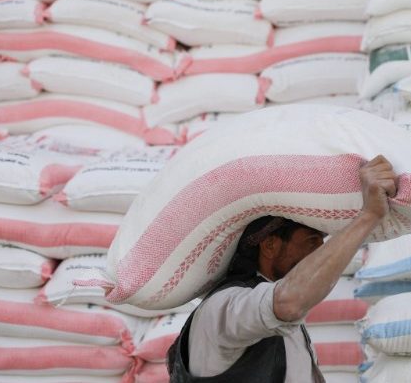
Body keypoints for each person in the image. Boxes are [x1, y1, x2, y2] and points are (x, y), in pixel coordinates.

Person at [167, 155, 398, 382]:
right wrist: (369, 215)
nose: (320, 253)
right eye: (311, 241)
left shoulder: (276, 314)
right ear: (270, 245)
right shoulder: (224, 306)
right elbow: (289, 302)